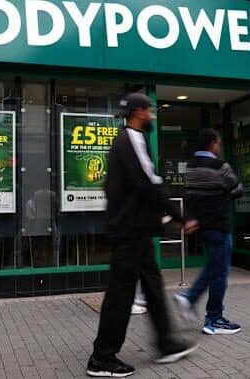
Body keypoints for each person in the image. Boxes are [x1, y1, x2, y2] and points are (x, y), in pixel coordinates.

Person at [87, 93, 199, 378]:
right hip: (129, 232)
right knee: (120, 294)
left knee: (152, 286)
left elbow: (132, 187)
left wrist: (162, 216)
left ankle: (166, 343)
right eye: (150, 111)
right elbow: (150, 183)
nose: (152, 115)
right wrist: (179, 216)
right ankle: (102, 358)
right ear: (138, 112)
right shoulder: (131, 139)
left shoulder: (125, 140)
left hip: (136, 229)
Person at [174, 128, 244, 335]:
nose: (219, 146)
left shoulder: (191, 167)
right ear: (212, 143)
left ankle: (197, 305)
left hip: (202, 227)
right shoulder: (220, 166)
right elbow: (238, 190)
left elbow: (190, 196)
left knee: (214, 267)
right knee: (220, 272)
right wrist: (224, 194)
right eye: (218, 143)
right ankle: (211, 316)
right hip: (219, 225)